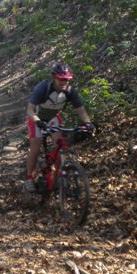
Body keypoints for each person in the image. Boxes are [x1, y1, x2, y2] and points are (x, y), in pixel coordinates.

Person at [24, 63, 94, 192]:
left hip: (52, 118)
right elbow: (30, 110)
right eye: (61, 79)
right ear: (54, 78)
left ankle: (58, 178)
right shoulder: (43, 88)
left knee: (61, 143)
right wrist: (38, 121)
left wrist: (88, 123)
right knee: (36, 144)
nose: (64, 82)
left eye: (67, 79)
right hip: (37, 118)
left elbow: (80, 109)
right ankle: (29, 178)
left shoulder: (70, 91)